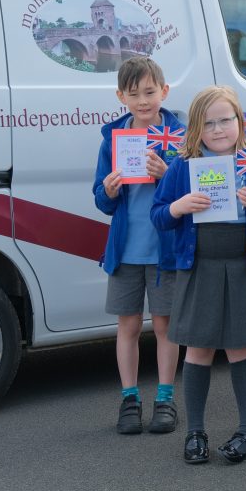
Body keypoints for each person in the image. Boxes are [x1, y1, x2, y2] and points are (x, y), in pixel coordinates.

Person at [151, 86, 246, 465]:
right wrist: (178, 207)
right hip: (200, 270)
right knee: (198, 350)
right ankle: (195, 431)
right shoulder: (182, 166)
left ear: (239, 122)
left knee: (242, 348)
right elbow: (159, 216)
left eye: (225, 120)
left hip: (244, 268)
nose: (218, 129)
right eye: (208, 122)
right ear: (196, 128)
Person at [92, 57, 183, 435]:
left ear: (164, 91)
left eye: (150, 92)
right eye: (134, 94)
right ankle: (129, 398)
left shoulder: (179, 136)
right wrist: (110, 190)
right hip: (126, 250)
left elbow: (193, 191)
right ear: (121, 97)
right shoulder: (113, 140)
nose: (143, 101)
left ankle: (165, 398)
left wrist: (168, 174)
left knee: (165, 326)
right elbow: (101, 198)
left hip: (164, 251)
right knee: (127, 325)